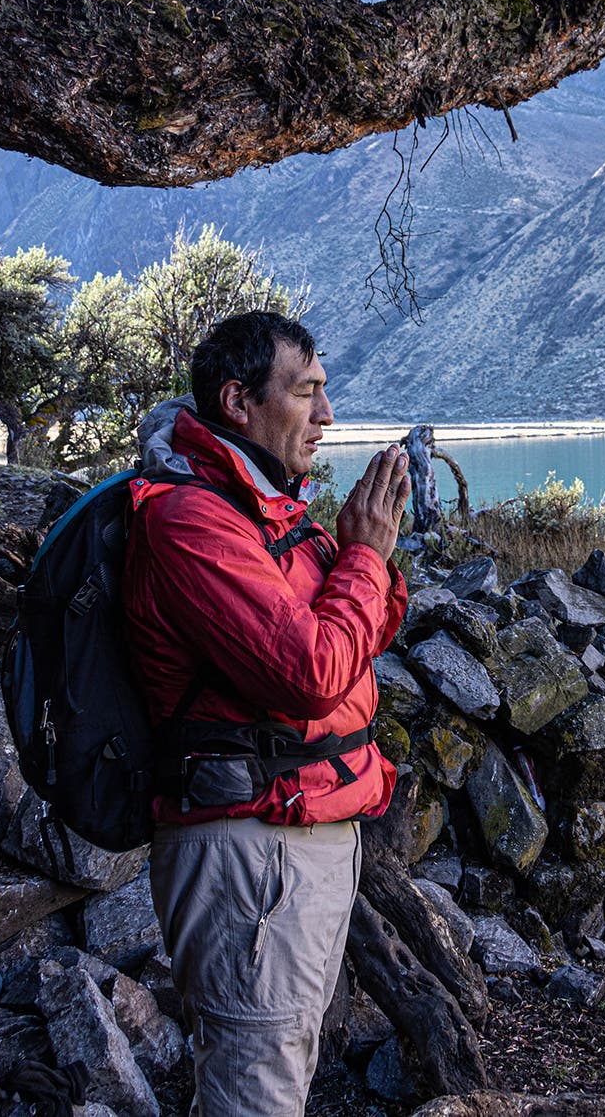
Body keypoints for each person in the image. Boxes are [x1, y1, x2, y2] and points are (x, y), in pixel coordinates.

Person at [122, 310, 410, 1117]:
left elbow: (364, 633)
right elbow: (314, 673)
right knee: (256, 1088)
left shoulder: (264, 507)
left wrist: (364, 559)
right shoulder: (192, 521)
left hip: (296, 837)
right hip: (251, 851)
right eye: (306, 392)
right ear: (238, 401)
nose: (327, 415)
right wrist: (364, 555)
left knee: (276, 1072)